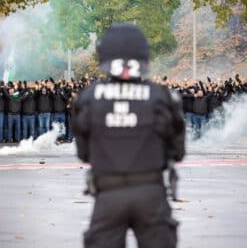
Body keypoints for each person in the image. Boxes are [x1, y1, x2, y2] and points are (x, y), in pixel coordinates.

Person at [72, 23, 185, 248]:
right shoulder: (162, 97)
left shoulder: (88, 97)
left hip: (108, 195)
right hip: (152, 194)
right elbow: (178, 152)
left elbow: (83, 154)